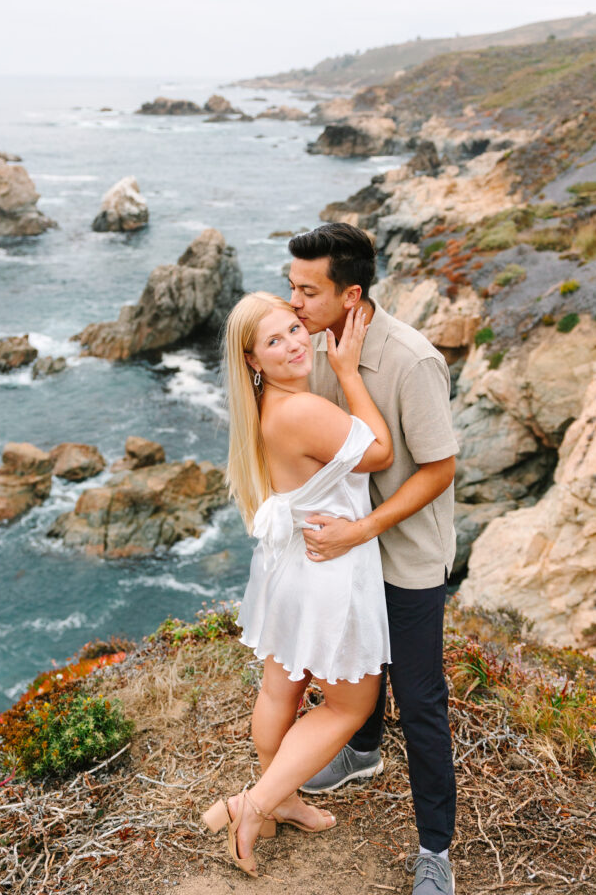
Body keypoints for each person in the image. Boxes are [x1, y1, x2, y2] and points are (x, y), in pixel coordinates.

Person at [287, 223, 458, 895]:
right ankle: (361, 753)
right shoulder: (311, 342)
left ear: (349, 293)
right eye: (289, 286)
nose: (292, 302)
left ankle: (436, 853)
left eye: (306, 290)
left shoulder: (411, 360)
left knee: (419, 701)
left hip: (404, 559)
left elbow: (438, 469)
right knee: (353, 666)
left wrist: (362, 533)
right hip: (344, 555)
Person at [203, 291, 393, 878]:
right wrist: (347, 371)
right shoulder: (302, 410)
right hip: (327, 568)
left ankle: (279, 797)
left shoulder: (268, 408)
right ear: (253, 361)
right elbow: (380, 453)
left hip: (288, 566)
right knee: (350, 704)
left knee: (280, 688)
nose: (292, 346)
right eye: (274, 342)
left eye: (293, 329)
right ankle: (256, 807)